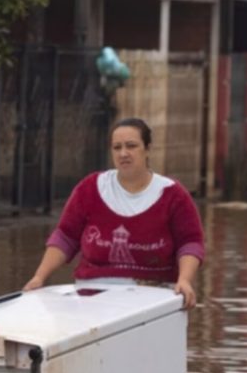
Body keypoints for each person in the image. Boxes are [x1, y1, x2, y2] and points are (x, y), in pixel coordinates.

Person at [23, 117, 205, 308]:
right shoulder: (90, 188)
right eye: (117, 147)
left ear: (148, 149)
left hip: (155, 294)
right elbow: (66, 236)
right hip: (92, 294)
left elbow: (191, 242)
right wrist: (39, 276)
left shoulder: (173, 194)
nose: (123, 153)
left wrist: (184, 280)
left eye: (131, 146)